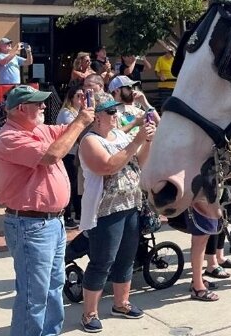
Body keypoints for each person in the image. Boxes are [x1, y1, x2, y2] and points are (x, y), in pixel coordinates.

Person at [0, 85, 94, 336]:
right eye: (38, 103)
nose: (43, 107)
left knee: (52, 288)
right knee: (34, 296)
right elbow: (53, 154)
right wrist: (80, 121)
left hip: (51, 224)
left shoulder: (39, 129)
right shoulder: (9, 137)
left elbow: (70, 133)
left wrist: (88, 113)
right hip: (31, 225)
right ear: (20, 109)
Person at [78, 92, 155, 332]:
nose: (116, 115)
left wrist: (147, 142)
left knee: (127, 258)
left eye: (116, 111)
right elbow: (106, 166)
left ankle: (121, 303)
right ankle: (89, 313)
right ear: (97, 117)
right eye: (111, 112)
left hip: (130, 203)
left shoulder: (120, 134)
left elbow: (139, 162)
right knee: (102, 261)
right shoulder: (90, 141)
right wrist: (136, 141)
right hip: (105, 209)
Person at [56, 85, 86, 230]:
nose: (81, 99)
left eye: (83, 96)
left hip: (78, 153)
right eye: (78, 96)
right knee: (71, 185)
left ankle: (78, 214)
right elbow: (76, 132)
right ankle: (67, 216)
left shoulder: (79, 112)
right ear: (71, 98)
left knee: (78, 185)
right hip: (69, 153)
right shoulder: (67, 113)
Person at [187, 206, 223, 302]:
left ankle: (197, 280)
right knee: (200, 239)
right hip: (202, 201)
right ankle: (198, 287)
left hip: (204, 202)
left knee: (201, 240)